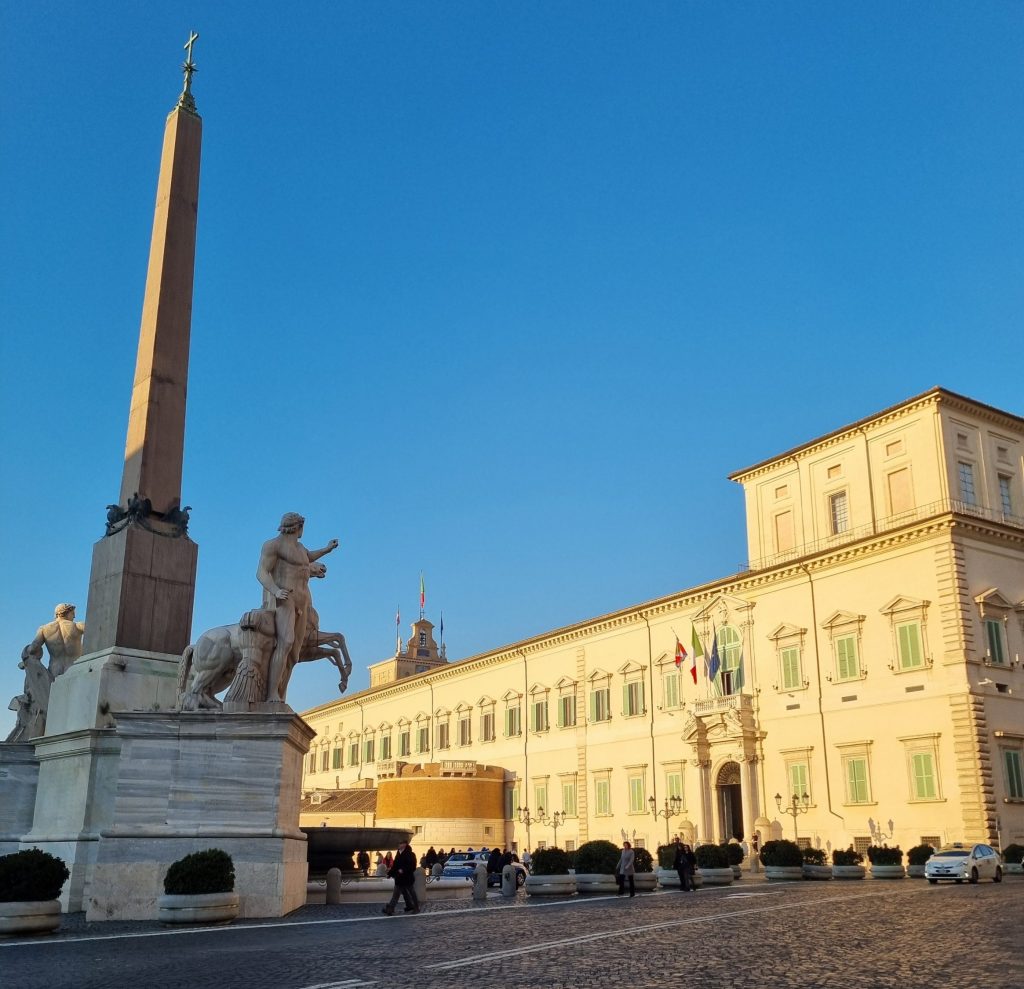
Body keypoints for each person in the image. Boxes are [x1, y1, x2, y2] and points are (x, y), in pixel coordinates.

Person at [256, 512, 338, 703]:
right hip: (286, 600)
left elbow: (309, 557)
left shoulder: (300, 548)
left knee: (294, 653)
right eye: (302, 527)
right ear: (297, 527)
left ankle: (281, 695)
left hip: (302, 602)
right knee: (285, 643)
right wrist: (276, 591)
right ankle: (271, 695)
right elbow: (261, 572)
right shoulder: (273, 545)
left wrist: (327, 549)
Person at [382, 840, 419, 915]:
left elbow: (413, 866)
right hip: (399, 878)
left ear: (404, 844)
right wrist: (389, 874)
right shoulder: (398, 853)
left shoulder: (411, 854)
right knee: (396, 894)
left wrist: (403, 870)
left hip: (407, 878)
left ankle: (416, 907)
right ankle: (391, 909)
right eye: (398, 843)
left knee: (412, 893)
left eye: (400, 843)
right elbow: (395, 866)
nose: (398, 845)